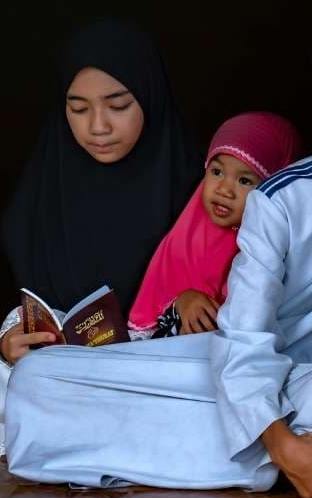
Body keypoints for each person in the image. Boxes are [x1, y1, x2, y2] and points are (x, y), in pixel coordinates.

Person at [5, 3, 312, 498]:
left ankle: (225, 454)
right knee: (39, 377)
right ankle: (279, 460)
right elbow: (244, 339)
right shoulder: (283, 200)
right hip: (246, 366)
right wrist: (277, 438)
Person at [0, 19, 201, 457]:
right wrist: (13, 345)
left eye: (118, 105)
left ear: (151, 98)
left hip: (152, 367)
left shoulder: (197, 190)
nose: (97, 126)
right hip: (58, 371)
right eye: (78, 108)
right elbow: (36, 307)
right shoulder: (47, 187)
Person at [127, 111, 303, 336]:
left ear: (274, 187)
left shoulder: (285, 245)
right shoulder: (188, 236)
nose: (224, 190)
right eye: (217, 172)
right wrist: (182, 302)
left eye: (244, 180)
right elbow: (148, 324)